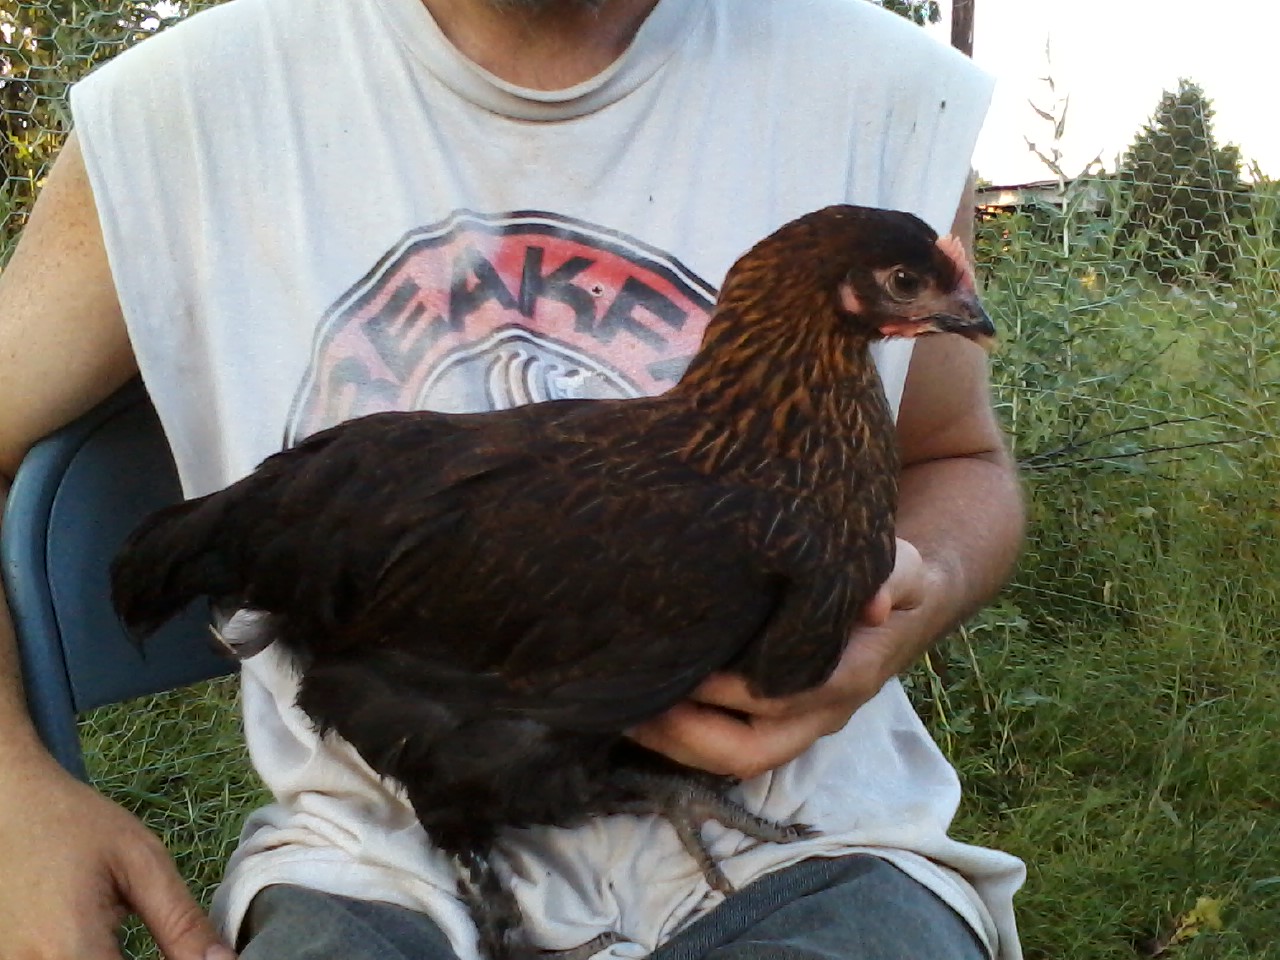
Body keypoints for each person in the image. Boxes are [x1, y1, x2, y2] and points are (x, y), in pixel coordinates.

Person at [0, 1, 1027, 958]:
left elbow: (956, 456)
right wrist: (10, 796)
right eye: (907, 285)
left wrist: (917, 590)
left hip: (818, 841)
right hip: (387, 858)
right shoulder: (177, 114)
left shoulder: (891, 91)